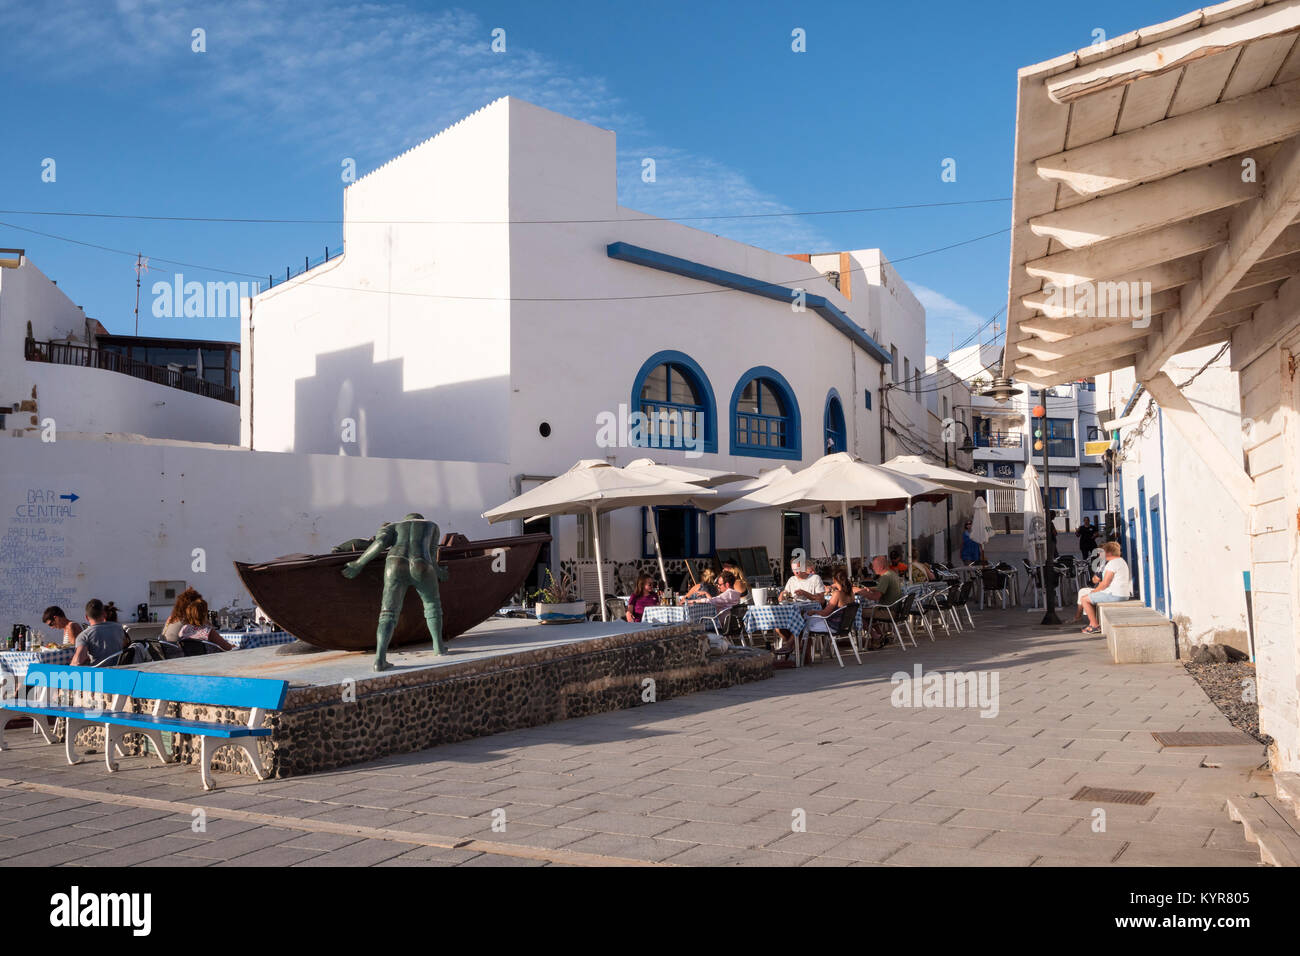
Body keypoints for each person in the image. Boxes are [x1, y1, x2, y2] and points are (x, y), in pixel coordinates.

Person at [1075, 541, 1132, 633]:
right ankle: (1091, 623)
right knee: (1089, 597)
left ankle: (1094, 625)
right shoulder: (1120, 561)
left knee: (1084, 599)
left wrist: (1094, 592)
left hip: (1115, 594)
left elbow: (1105, 583)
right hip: (1122, 594)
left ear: (1109, 552)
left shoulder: (1112, 563)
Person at [70, 598, 128, 666]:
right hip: (119, 669)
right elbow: (124, 645)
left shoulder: (84, 635)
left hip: (98, 672)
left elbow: (78, 662)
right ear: (104, 614)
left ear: (86, 617)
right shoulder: (119, 628)